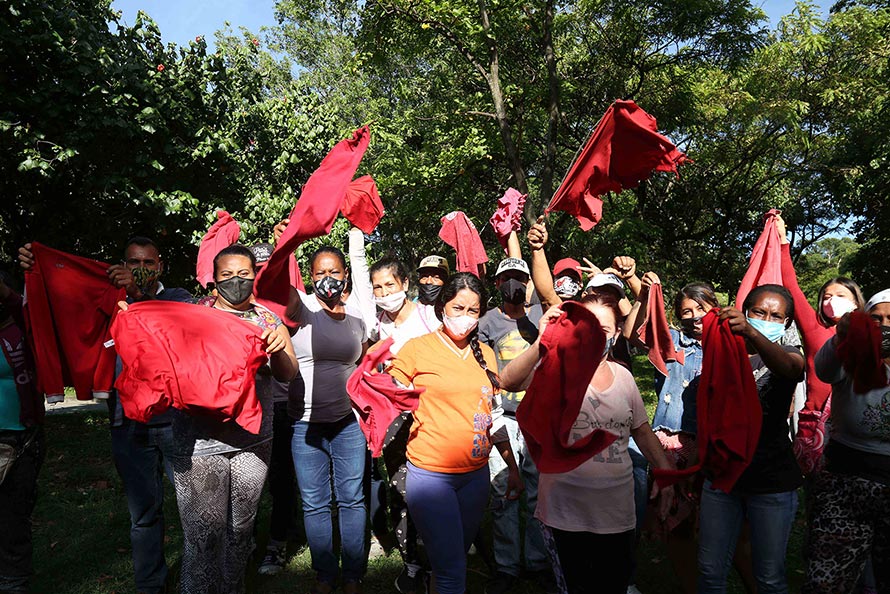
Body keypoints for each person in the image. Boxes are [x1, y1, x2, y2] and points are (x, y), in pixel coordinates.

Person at [18, 237, 192, 594]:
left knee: (195, 513)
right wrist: (37, 269)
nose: (140, 270)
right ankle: (150, 587)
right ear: (121, 266)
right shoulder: (109, 300)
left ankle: (198, 579)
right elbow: (62, 301)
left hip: (177, 422)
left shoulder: (179, 298)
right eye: (132, 262)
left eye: (147, 263)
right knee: (143, 515)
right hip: (127, 423)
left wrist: (137, 297)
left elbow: (169, 329)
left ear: (160, 266)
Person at [498, 291, 676, 594]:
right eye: (589, 326)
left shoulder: (624, 378)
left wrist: (666, 475)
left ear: (617, 332)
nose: (596, 336)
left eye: (604, 330)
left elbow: (642, 432)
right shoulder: (554, 367)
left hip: (616, 513)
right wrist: (541, 343)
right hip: (563, 512)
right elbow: (509, 381)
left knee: (612, 586)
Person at [167, 244, 298, 594]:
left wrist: (277, 349)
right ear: (214, 280)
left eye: (243, 274)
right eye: (227, 275)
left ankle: (232, 588)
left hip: (253, 442)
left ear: (254, 276)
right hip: (199, 444)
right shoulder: (192, 316)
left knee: (240, 532)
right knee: (203, 537)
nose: (236, 281)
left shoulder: (268, 319)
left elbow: (288, 374)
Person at [387, 272, 523, 594]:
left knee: (451, 559)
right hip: (431, 477)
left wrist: (513, 467)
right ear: (442, 307)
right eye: (458, 308)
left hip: (475, 479)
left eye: (473, 311)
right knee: (452, 572)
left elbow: (494, 417)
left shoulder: (485, 355)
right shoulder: (417, 349)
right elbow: (390, 391)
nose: (464, 317)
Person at [698, 284, 805, 594]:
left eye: (775, 315)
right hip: (722, 477)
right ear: (745, 311)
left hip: (771, 480)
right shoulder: (724, 352)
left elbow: (791, 369)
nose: (765, 318)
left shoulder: (788, 353)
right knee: (709, 570)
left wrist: (752, 333)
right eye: (759, 312)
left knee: (770, 577)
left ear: (786, 324)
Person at [285, 245, 369, 594]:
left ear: (345, 276)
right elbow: (279, 284)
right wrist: (285, 245)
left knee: (351, 498)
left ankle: (351, 574)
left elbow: (363, 361)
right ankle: (324, 573)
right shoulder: (300, 307)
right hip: (305, 425)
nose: (328, 279)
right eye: (320, 273)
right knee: (315, 502)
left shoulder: (358, 315)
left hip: (348, 423)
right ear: (310, 277)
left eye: (334, 272)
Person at [802, 289, 890, 594]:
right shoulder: (849, 352)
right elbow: (824, 369)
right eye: (876, 318)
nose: (884, 325)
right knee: (825, 580)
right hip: (844, 484)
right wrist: (841, 337)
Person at [366, 256, 440, 593]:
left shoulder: (429, 316)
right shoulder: (378, 324)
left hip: (431, 414)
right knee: (401, 487)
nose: (384, 293)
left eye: (390, 285)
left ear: (405, 285)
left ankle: (440, 558)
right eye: (377, 287)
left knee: (432, 486)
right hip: (393, 416)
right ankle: (412, 563)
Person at [477, 257, 550, 594]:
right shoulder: (487, 322)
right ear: (496, 284)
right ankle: (507, 565)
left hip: (538, 417)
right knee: (504, 490)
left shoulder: (541, 316)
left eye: (520, 278)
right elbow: (482, 366)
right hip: (503, 416)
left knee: (539, 493)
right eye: (506, 278)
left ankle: (537, 560)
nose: (514, 284)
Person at [775, 216, 866, 473]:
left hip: (852, 423)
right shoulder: (815, 326)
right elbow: (790, 284)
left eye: (840, 296)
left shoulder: (870, 333)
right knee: (815, 490)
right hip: (812, 421)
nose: (831, 301)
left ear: (856, 302)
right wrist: (783, 241)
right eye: (827, 296)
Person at [248, 242, 302, 577]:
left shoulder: (290, 298)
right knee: (249, 480)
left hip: (282, 404)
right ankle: (247, 539)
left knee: (281, 481)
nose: (265, 271)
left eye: (272, 265)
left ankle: (278, 544)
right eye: (259, 267)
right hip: (247, 406)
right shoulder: (239, 306)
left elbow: (294, 309)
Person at [0, 269, 44, 594]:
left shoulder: (25, 329)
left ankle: (14, 583)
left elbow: (23, 309)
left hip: (22, 439)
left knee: (14, 517)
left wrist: (6, 294)